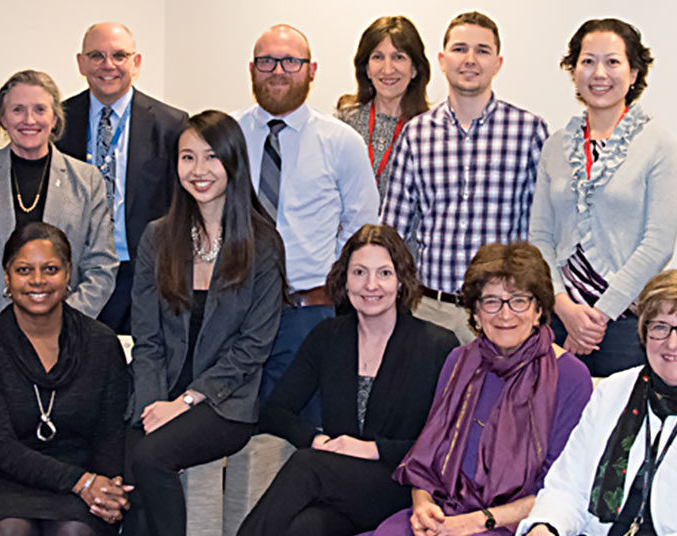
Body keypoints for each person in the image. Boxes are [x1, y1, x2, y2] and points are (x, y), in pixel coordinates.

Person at [238, 224, 459, 536]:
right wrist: (317, 440)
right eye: (359, 272)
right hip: (339, 487)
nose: (371, 285)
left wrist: (372, 449)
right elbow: (276, 411)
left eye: (384, 273)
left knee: (306, 465)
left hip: (401, 486)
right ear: (345, 279)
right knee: (304, 528)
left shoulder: (437, 345)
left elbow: (445, 444)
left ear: (401, 281)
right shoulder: (328, 337)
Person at [517, 270, 677, 536]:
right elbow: (566, 488)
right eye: (660, 327)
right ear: (644, 333)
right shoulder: (612, 391)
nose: (673, 343)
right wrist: (546, 526)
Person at [125, 110, 285, 536]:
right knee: (126, 467)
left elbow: (253, 347)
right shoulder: (158, 238)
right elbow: (146, 339)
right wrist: (151, 406)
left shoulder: (262, 243)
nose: (198, 171)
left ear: (232, 163)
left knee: (149, 458)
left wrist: (185, 403)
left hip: (223, 403)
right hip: (158, 390)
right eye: (187, 157)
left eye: (211, 157)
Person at [366, 241, 592, 536]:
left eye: (519, 300)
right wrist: (423, 506)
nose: (505, 314)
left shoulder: (571, 376)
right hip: (441, 516)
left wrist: (471, 523)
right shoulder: (459, 361)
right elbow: (427, 456)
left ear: (538, 310)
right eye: (491, 301)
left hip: (506, 526)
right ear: (474, 312)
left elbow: (560, 490)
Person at [382, 11, 548, 345]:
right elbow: (393, 231)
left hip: (504, 312)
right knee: (431, 399)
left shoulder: (529, 132)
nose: (470, 60)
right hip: (431, 309)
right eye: (460, 49)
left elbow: (540, 228)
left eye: (482, 51)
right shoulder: (417, 134)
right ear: (442, 60)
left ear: (498, 63)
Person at [0, 222, 130, 536]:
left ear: (68, 274)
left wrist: (105, 489)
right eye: (24, 270)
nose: (38, 281)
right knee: (12, 531)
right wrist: (81, 483)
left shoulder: (101, 344)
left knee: (74, 532)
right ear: (7, 277)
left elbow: (110, 436)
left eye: (50, 269)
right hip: (0, 481)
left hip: (81, 478)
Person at [530, 18, 677, 377]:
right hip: (561, 318)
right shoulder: (556, 146)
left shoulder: (659, 145)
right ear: (574, 71)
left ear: (634, 73)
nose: (599, 72)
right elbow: (540, 236)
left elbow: (658, 242)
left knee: (621, 429)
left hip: (626, 323)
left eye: (612, 61)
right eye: (587, 61)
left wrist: (599, 314)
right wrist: (565, 306)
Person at [235, 24, 380, 403]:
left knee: (303, 429)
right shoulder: (228, 134)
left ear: (311, 70)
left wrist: (327, 281)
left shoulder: (342, 142)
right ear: (252, 68)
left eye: (290, 61)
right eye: (267, 61)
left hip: (308, 313)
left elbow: (362, 225)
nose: (278, 70)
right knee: (234, 428)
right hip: (235, 309)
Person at [0, 69, 117, 343]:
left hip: (61, 339)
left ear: (54, 118)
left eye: (40, 109)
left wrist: (64, 321)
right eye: (17, 110)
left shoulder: (87, 181)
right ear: (1, 119)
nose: (29, 120)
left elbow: (102, 266)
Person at [57, 22, 188, 335]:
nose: (108, 65)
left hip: (143, 272)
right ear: (81, 62)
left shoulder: (171, 125)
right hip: (77, 273)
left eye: (119, 55)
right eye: (97, 55)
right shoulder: (57, 121)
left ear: (136, 62)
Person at [333, 16, 431, 200]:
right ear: (367, 69)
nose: (387, 70)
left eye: (398, 57)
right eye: (378, 57)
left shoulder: (430, 133)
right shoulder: (343, 124)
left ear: (415, 69)